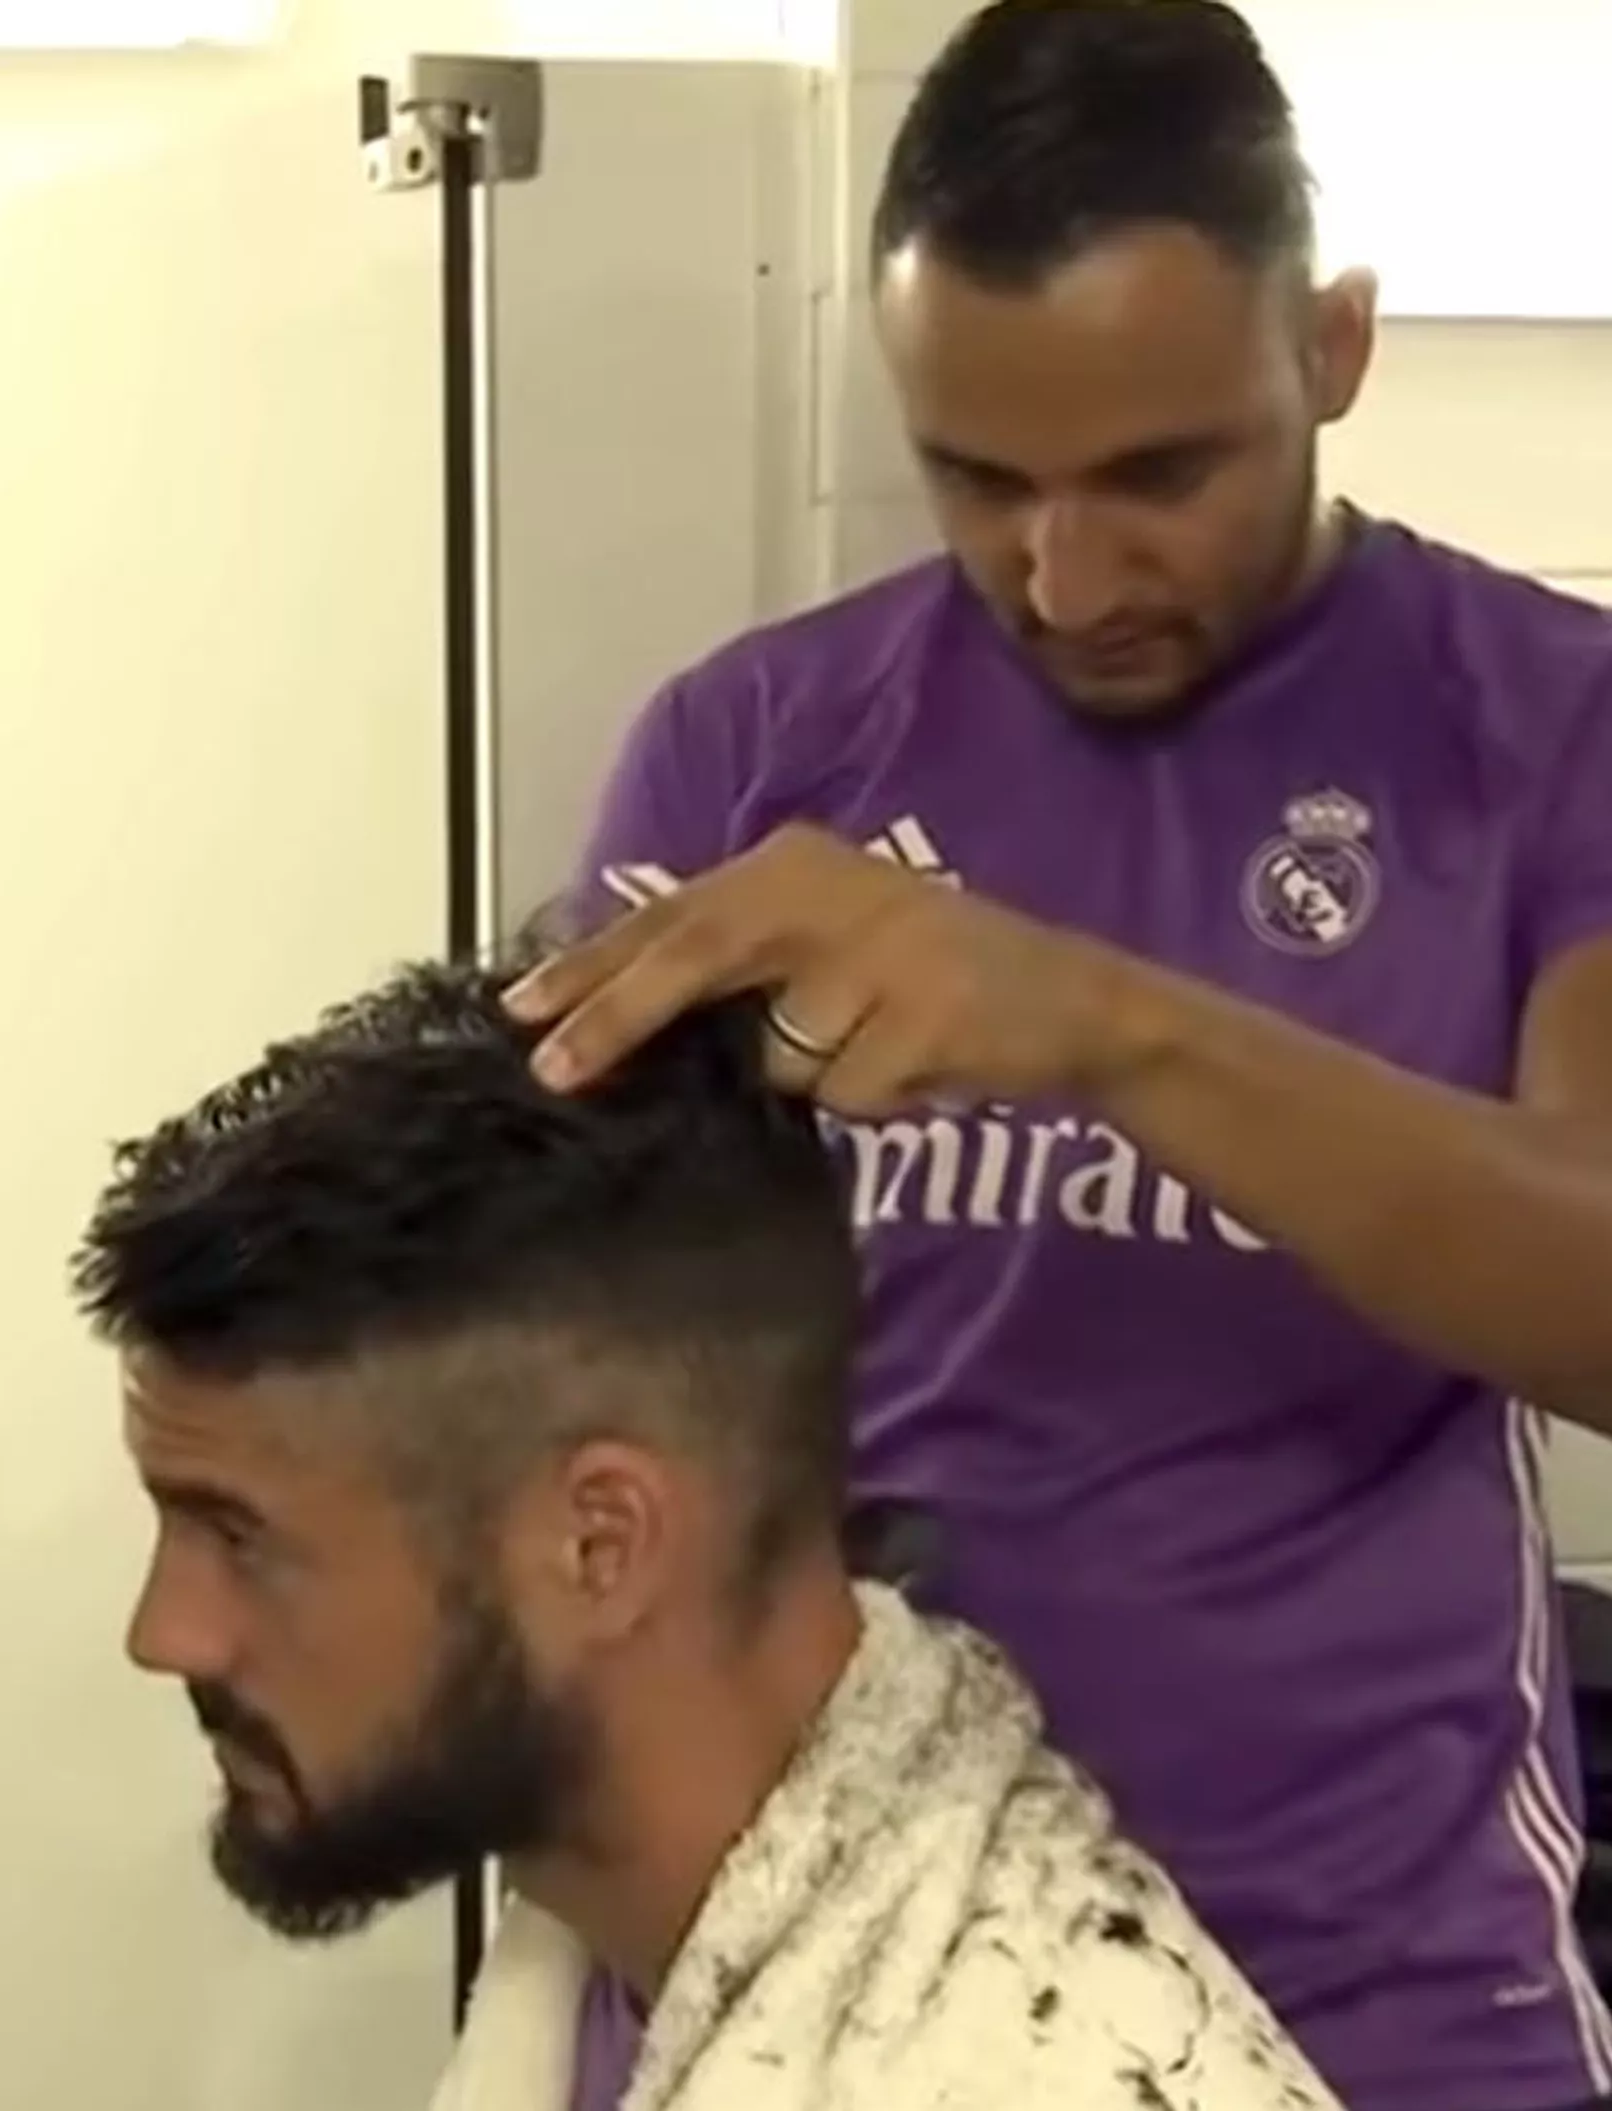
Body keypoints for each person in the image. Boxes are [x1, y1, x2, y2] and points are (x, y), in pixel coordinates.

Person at [500, 5, 1612, 2109]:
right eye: (981, 481)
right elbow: (559, 1374)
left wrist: (1095, 1018)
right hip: (828, 1971)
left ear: (1334, 350)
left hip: (1363, 1992)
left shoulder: (1554, 727)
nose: (1066, 576)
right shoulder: (753, 750)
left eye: (1159, 475)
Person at [73, 962, 1340, 2111]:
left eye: (237, 1534)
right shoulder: (605, 1953)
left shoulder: (1043, 2068)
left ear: (600, 1543)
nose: (163, 1633)